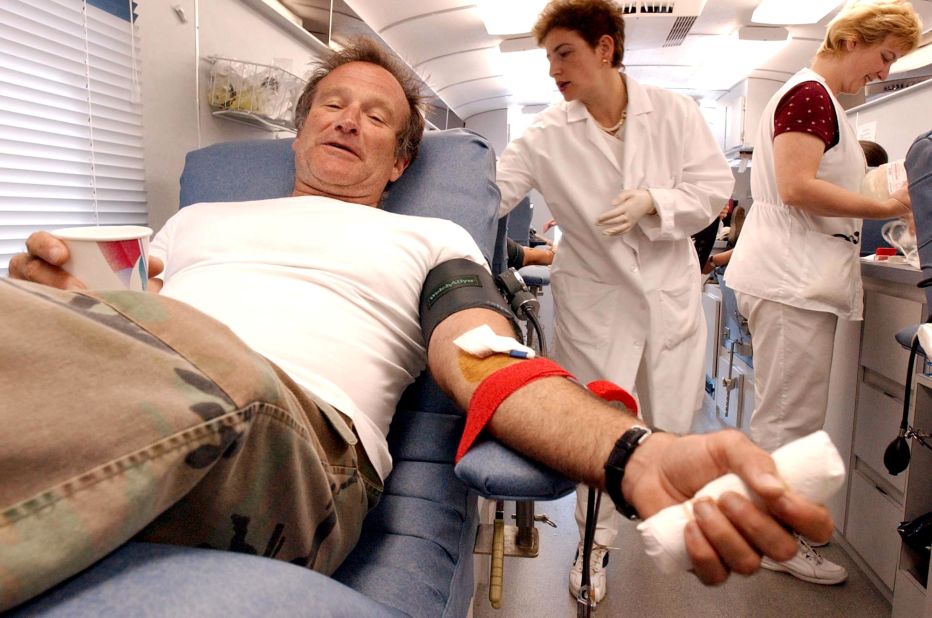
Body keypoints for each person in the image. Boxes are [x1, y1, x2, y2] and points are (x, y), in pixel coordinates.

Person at [3, 39, 834, 612]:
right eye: (332, 103)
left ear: (401, 161)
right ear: (297, 128)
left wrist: (632, 449)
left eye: (374, 116)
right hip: (145, 379)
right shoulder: (193, 224)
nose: (346, 119)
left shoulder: (428, 236)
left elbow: (482, 352)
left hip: (289, 437)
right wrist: (60, 300)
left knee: (214, 366)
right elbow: (113, 330)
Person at [494, 0, 734, 602]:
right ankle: (589, 548)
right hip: (595, 302)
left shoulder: (674, 112)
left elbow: (713, 188)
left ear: (605, 49)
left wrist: (657, 202)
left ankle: (663, 520)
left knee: (668, 424)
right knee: (600, 432)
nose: (554, 70)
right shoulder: (548, 132)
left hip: (668, 295)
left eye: (564, 53)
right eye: (548, 58)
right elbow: (492, 191)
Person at [724, 0, 922, 585]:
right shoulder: (810, 95)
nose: (885, 71)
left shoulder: (823, 102)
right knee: (787, 423)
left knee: (786, 418)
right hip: (791, 281)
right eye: (884, 56)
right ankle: (774, 543)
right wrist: (890, 205)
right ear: (853, 40)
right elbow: (796, 186)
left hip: (796, 279)